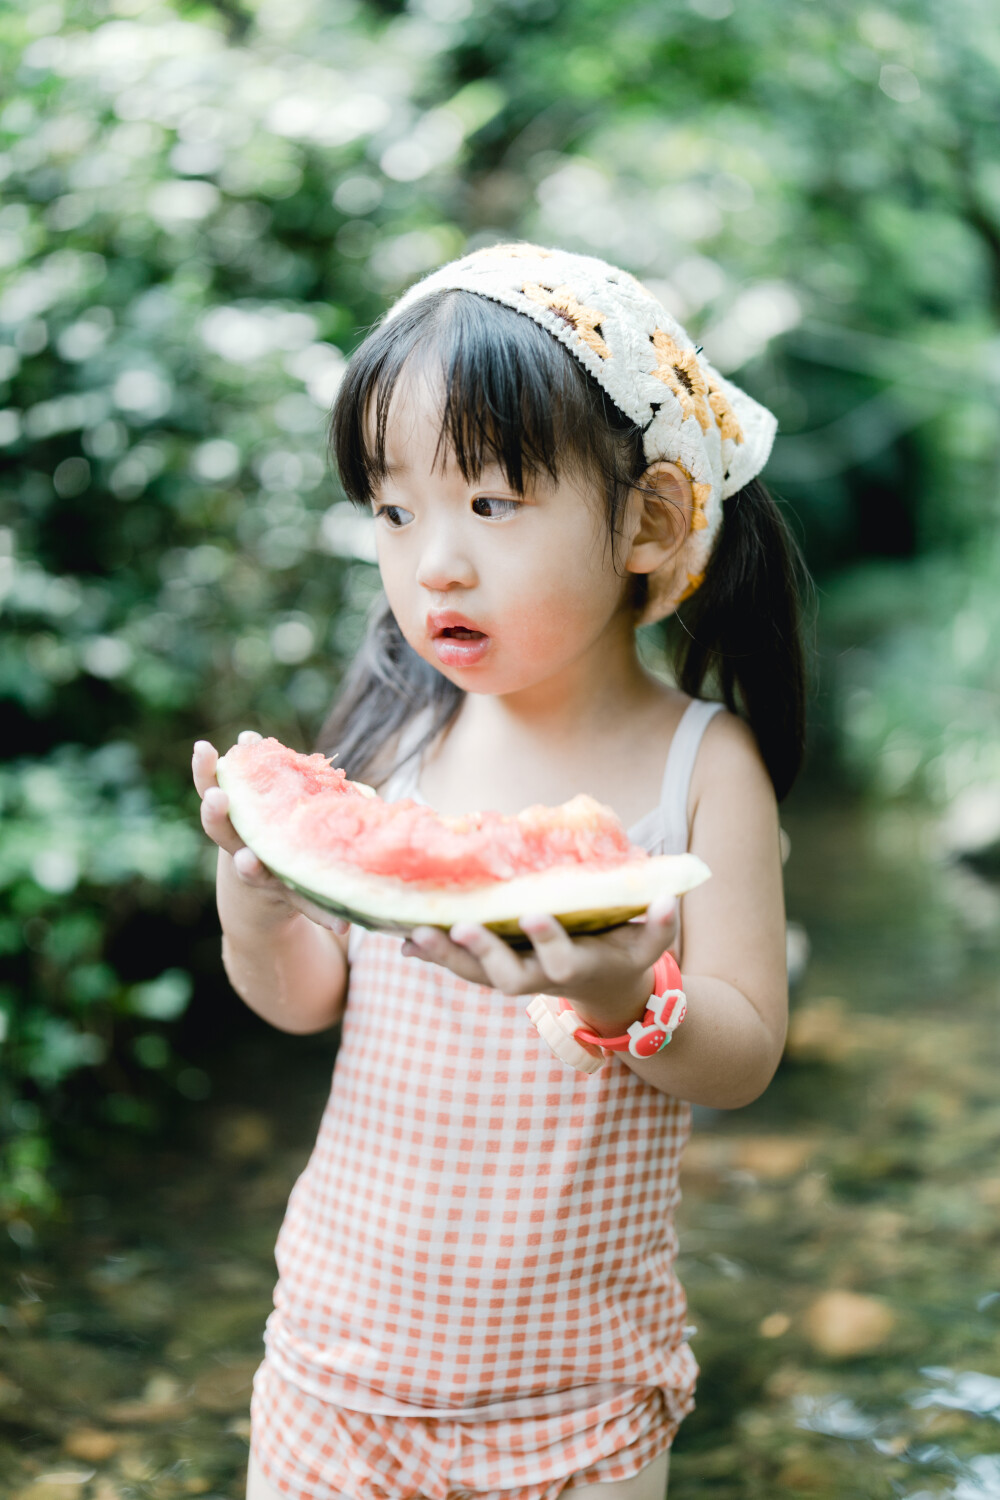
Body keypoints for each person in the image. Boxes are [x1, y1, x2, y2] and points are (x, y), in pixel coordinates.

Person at [192, 242, 807, 1500]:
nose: (435, 566)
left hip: (576, 1402)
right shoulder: (396, 735)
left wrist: (625, 1001)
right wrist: (253, 903)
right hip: (337, 1368)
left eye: (491, 504)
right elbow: (309, 998)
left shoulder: (702, 762)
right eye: (395, 509)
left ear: (647, 523)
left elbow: (743, 1058)